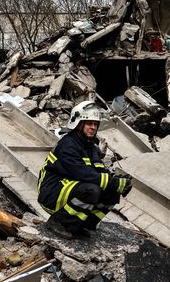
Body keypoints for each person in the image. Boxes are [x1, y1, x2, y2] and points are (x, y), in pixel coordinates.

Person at [37, 101, 132, 239]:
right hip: (51, 194)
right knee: (92, 190)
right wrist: (112, 182)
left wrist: (117, 181)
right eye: (89, 123)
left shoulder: (89, 146)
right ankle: (58, 222)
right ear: (78, 123)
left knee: (112, 190)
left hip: (68, 188)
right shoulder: (67, 145)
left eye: (95, 124)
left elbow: (99, 169)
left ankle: (84, 225)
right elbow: (83, 174)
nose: (93, 127)